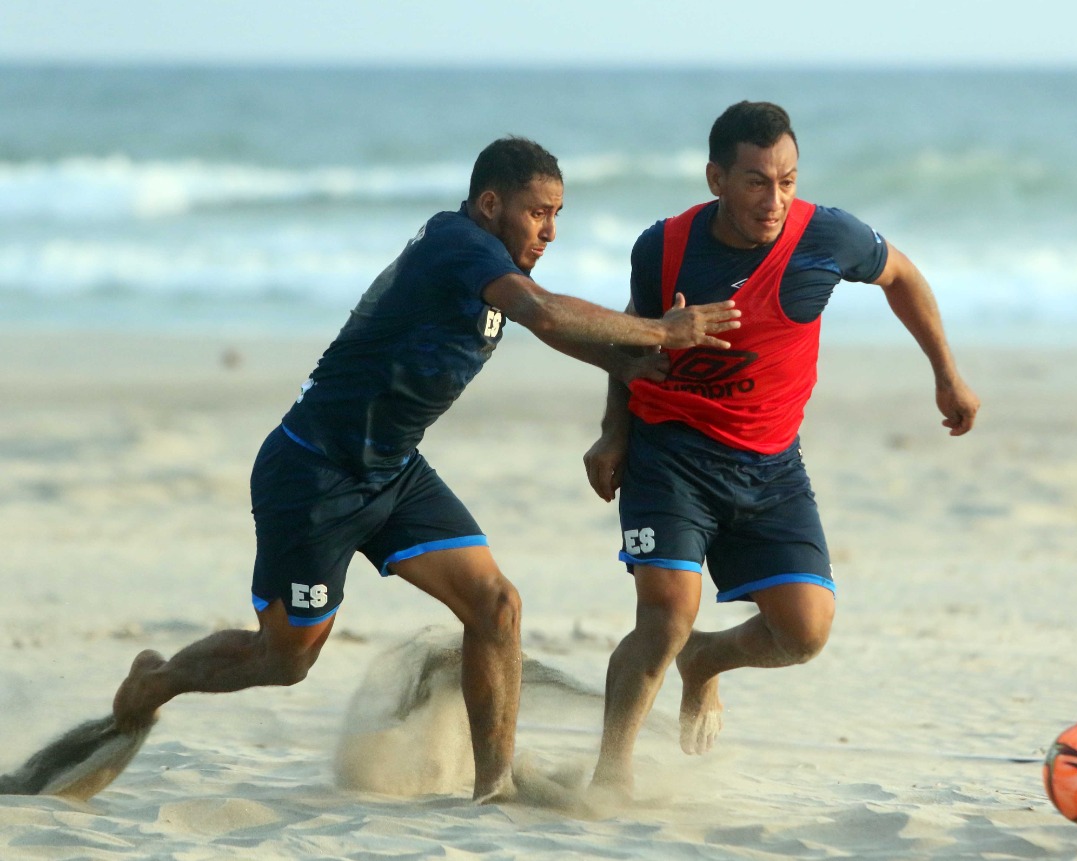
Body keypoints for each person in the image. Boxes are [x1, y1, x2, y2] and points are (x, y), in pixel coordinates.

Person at [110, 136, 741, 803]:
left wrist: (617, 364)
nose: (551, 230)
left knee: (497, 605)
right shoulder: (460, 245)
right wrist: (663, 332)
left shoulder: (491, 263)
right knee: (285, 657)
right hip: (312, 475)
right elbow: (541, 310)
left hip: (392, 471)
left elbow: (545, 323)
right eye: (538, 212)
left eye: (560, 214)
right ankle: (159, 679)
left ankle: (492, 786)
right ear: (491, 203)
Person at [582, 102, 981, 793]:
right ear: (716, 179)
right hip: (670, 451)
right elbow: (630, 343)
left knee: (805, 631)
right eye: (756, 182)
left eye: (788, 181)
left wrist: (946, 372)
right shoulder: (664, 247)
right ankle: (610, 774)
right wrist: (615, 430)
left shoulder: (827, 236)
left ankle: (704, 661)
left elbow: (904, 278)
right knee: (666, 615)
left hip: (770, 462)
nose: (775, 200)